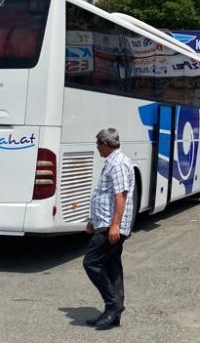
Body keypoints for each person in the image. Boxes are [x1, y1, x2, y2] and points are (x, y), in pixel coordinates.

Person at [83, 128, 136, 329]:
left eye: (97, 144)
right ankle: (114, 312)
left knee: (91, 262)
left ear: (105, 143)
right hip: (104, 222)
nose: (97, 148)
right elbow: (103, 195)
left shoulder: (119, 163)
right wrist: (92, 220)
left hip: (111, 226)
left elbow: (119, 196)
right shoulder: (112, 162)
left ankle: (113, 305)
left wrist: (115, 225)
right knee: (112, 266)